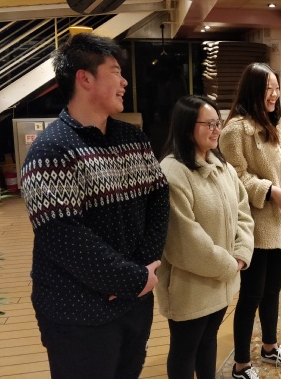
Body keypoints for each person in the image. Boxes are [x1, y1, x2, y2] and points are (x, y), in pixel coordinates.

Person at [20, 33, 170, 379]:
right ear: (84, 78)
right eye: (115, 72)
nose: (124, 81)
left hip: (135, 300)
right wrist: (130, 278)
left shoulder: (133, 138)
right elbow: (62, 236)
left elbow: (159, 199)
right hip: (76, 313)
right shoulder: (51, 150)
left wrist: (142, 271)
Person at [219, 62, 281, 379]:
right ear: (252, 91)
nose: (274, 94)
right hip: (254, 226)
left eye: (276, 88)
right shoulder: (235, 130)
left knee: (273, 288)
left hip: (280, 221)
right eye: (267, 89)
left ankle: (270, 347)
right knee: (251, 295)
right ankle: (241, 365)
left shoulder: (280, 124)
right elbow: (234, 177)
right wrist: (269, 190)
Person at [156, 95, 255, 379]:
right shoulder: (173, 172)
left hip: (221, 282)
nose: (216, 130)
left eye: (218, 123)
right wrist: (229, 265)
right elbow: (185, 239)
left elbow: (243, 212)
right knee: (185, 350)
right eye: (209, 124)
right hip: (190, 288)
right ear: (187, 127)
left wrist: (241, 253)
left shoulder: (221, 165)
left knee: (208, 341)